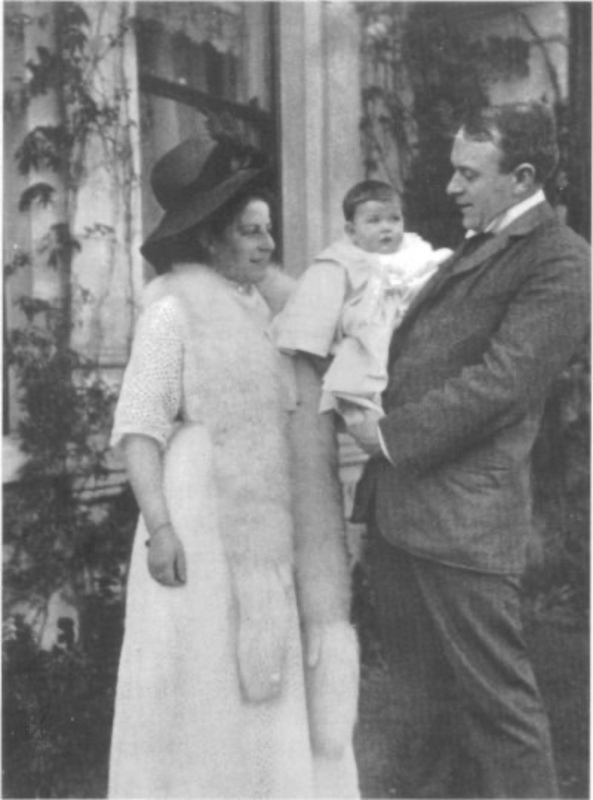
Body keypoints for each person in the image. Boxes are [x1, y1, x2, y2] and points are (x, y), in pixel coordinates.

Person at [346, 101, 590, 798]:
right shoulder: (478, 243)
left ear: (519, 177)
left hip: (463, 527)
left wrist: (389, 435)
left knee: (499, 713)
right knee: (420, 714)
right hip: (405, 517)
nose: (450, 187)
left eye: (466, 173)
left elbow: (502, 384)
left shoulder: (561, 260)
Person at [108, 136, 360, 798]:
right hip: (198, 515)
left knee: (267, 669)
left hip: (268, 521)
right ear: (211, 238)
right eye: (249, 232)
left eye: (268, 230)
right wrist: (160, 525)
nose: (265, 244)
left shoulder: (281, 312)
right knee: (202, 672)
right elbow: (140, 428)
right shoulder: (173, 309)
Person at [273, 180, 451, 421]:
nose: (387, 228)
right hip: (360, 356)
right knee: (366, 420)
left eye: (394, 219)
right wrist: (332, 375)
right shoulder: (339, 263)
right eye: (374, 221)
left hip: (411, 352)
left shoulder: (417, 255)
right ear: (351, 231)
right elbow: (311, 324)